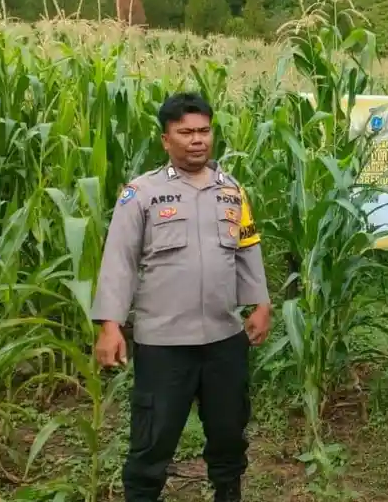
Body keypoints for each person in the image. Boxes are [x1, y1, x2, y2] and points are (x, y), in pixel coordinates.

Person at [91, 91, 273, 502]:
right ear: (165, 139)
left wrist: (260, 303)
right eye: (185, 132)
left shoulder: (231, 191)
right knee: (153, 441)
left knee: (229, 435)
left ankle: (227, 493)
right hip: (164, 343)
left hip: (224, 341)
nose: (197, 140)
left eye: (204, 131)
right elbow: (118, 260)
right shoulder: (142, 193)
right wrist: (109, 325)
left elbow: (247, 247)